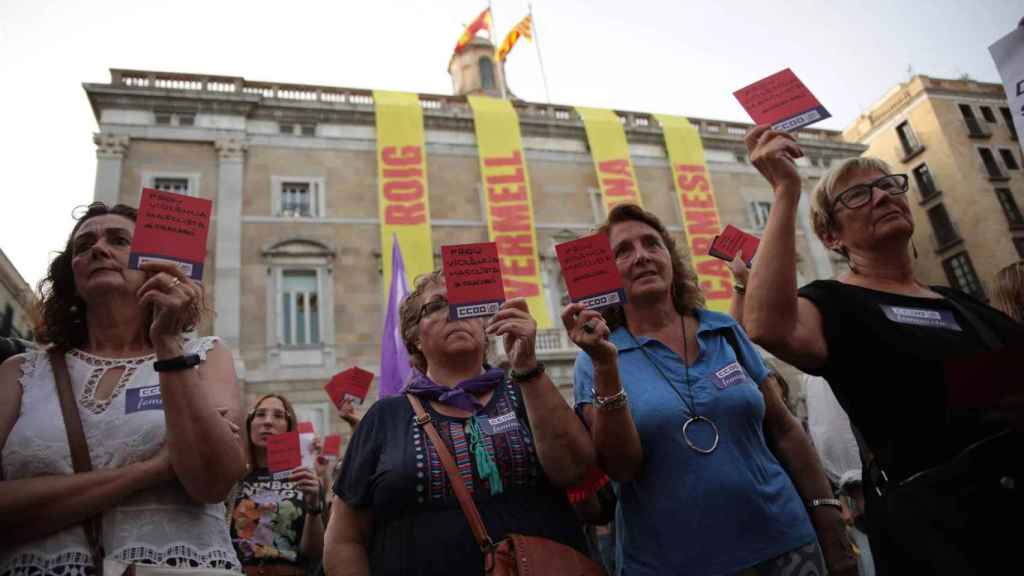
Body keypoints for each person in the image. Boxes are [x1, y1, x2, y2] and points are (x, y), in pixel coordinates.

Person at [741, 125, 1024, 574]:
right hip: (943, 540)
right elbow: (765, 325)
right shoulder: (834, 303)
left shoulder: (961, 304)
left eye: (889, 186)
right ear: (832, 237)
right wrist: (785, 189)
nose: (881, 197)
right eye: (858, 196)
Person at [565, 203, 855, 576]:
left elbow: (785, 429)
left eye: (652, 244)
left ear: (670, 257)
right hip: (672, 564)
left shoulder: (724, 329)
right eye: (623, 251)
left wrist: (828, 518)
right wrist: (606, 365)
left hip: (786, 545)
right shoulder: (594, 359)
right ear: (606, 274)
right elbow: (621, 467)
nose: (642, 257)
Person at [0, 202, 246, 574]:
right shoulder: (21, 372)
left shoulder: (205, 355)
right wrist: (156, 469)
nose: (98, 249)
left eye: (118, 240)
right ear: (72, 275)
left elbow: (212, 481)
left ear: (155, 266)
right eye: (83, 246)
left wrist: (167, 343)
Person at [323, 270, 595, 576]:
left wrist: (528, 368)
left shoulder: (527, 392)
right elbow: (344, 540)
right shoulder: (384, 417)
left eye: (465, 304)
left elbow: (577, 470)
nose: (452, 311)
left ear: (485, 326)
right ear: (414, 336)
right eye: (436, 305)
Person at [229, 394, 325, 576]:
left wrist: (314, 507)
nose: (267, 422)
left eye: (278, 416)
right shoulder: (232, 475)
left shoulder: (303, 479)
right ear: (249, 424)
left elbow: (314, 553)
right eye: (260, 414)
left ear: (289, 427)